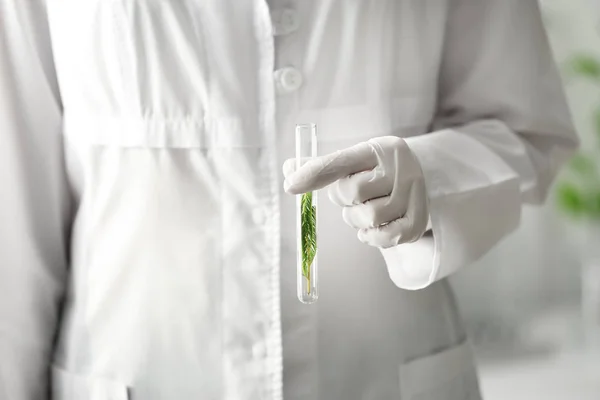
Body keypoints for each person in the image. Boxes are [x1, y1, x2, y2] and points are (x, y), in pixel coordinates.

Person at [0, 0, 578, 399]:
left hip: (381, 373)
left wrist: (431, 174)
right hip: (127, 372)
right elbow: (13, 227)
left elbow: (522, 128)